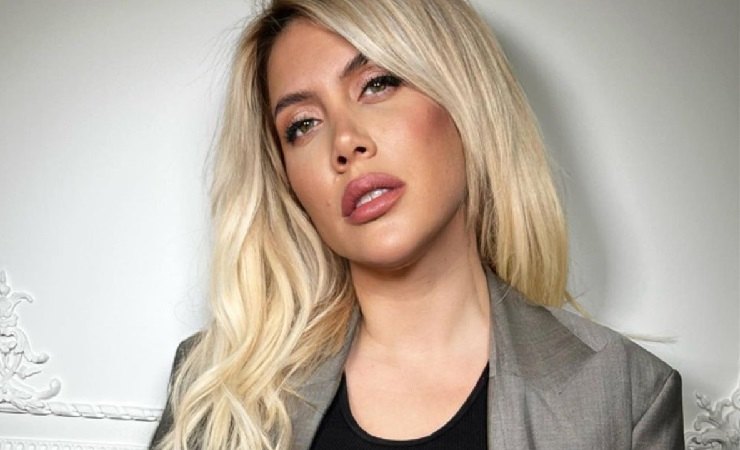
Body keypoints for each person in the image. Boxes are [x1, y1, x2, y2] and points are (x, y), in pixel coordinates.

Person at [150, 0, 685, 448]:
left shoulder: (625, 393)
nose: (344, 142)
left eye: (377, 84)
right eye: (303, 124)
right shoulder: (217, 387)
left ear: (465, 99)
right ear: (288, 181)